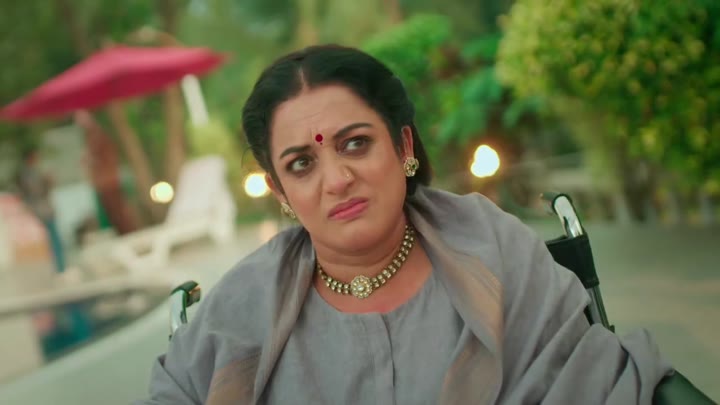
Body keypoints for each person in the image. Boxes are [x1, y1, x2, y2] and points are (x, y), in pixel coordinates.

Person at [139, 45, 672, 404]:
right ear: (281, 192)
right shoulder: (237, 312)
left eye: (355, 143)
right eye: (302, 164)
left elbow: (589, 379)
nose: (337, 179)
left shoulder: (496, 248)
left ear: (403, 146)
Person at [14, 146, 65, 273]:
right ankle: (60, 268)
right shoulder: (29, 174)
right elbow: (37, 191)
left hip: (41, 209)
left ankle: (60, 267)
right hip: (42, 210)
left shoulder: (30, 173)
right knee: (53, 239)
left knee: (53, 239)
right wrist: (47, 181)